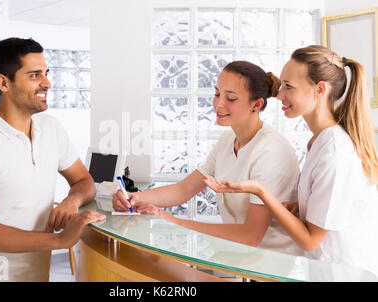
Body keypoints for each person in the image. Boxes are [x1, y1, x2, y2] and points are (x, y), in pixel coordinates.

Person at [204, 45, 378, 277]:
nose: (280, 96)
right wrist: (302, 209)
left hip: (345, 273)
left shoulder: (334, 150)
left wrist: (261, 192)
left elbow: (310, 241)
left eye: (289, 87)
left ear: (320, 89)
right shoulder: (319, 141)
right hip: (325, 271)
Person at [0, 37, 105, 282]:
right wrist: (59, 240)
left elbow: (84, 181)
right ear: (4, 83)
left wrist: (72, 201)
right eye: (35, 75)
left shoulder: (51, 128)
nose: (47, 83)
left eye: (46, 73)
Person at [113, 61, 303, 256]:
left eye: (230, 98)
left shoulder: (271, 152)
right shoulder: (228, 140)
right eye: (217, 94)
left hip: (272, 265)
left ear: (257, 104)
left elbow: (250, 235)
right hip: (235, 255)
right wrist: (132, 198)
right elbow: (184, 190)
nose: (218, 104)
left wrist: (175, 221)